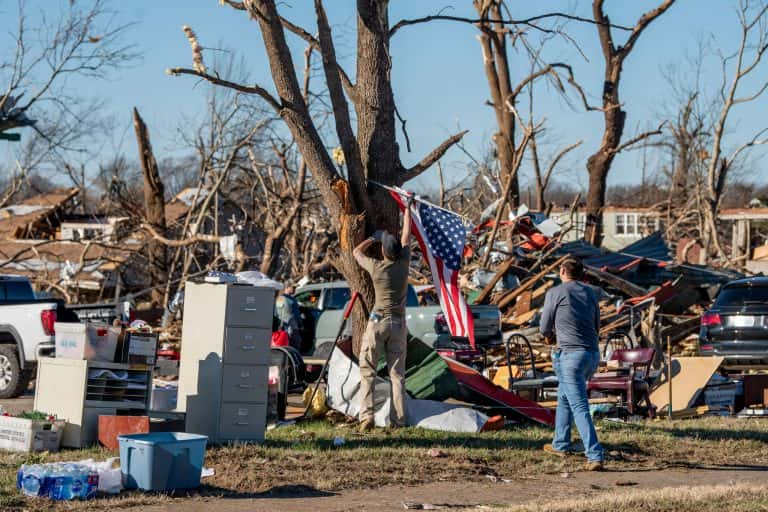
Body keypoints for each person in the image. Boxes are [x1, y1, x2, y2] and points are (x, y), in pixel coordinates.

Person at [539, 257, 604, 471]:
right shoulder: (591, 293)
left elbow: (544, 325)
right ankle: (560, 443)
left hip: (571, 355)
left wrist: (548, 335)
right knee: (564, 397)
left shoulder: (555, 293)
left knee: (579, 406)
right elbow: (597, 324)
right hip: (592, 354)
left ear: (562, 272)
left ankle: (595, 455)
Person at [353, 200, 413, 432]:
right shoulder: (404, 263)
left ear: (383, 252)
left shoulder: (377, 267)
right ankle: (398, 421)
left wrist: (373, 238)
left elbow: (356, 252)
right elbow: (407, 236)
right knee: (396, 375)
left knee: (367, 369)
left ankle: (366, 417)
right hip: (398, 324)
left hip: (377, 322)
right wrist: (407, 210)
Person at [275, 283, 302, 351]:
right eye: (293, 287)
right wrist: (300, 323)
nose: (294, 289)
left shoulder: (279, 298)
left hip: (283, 326)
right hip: (291, 325)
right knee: (296, 342)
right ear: (287, 287)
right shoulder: (290, 300)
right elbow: (295, 314)